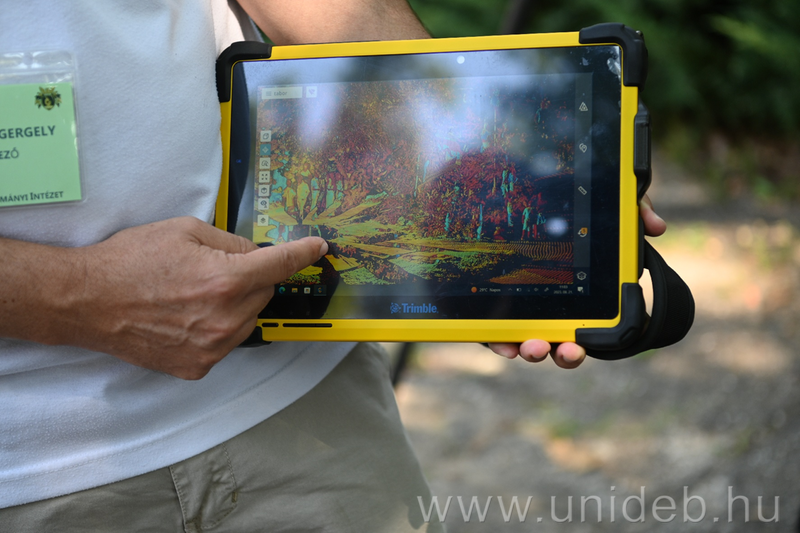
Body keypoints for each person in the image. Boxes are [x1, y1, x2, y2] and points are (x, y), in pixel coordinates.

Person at [0, 1, 667, 530]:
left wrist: (470, 124)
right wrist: (75, 295)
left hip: (303, 404)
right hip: (34, 482)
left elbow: (340, 11)